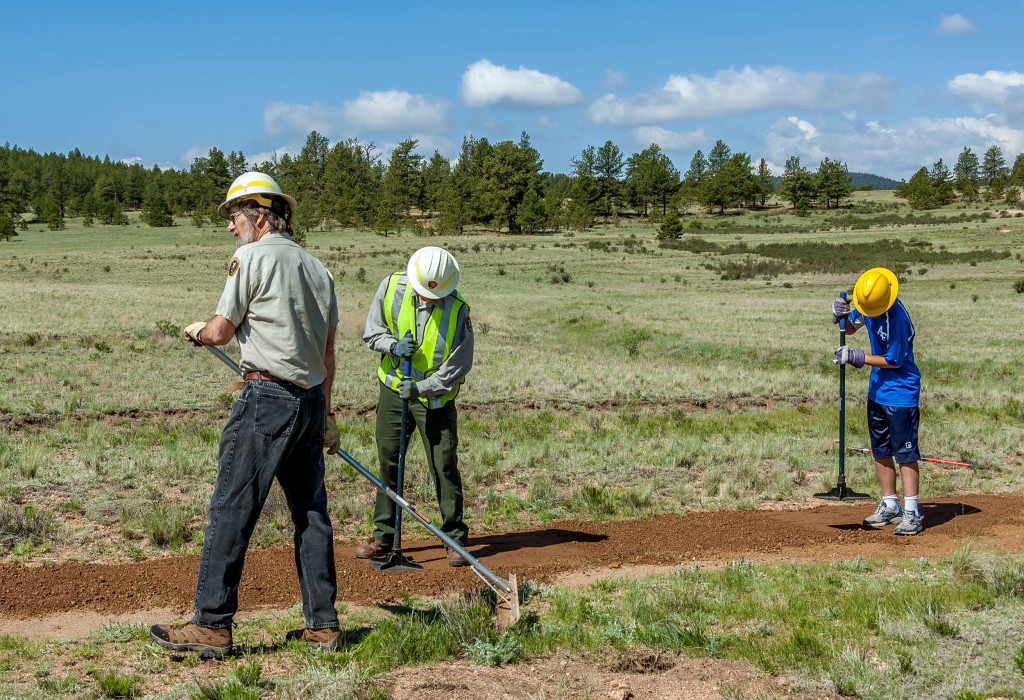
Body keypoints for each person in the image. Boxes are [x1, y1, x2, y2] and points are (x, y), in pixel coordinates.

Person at [150, 172, 343, 658]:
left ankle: (212, 624)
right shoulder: (320, 270)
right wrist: (327, 413)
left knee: (231, 508)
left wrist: (199, 331)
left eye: (234, 216)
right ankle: (323, 626)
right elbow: (328, 352)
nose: (230, 226)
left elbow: (221, 331)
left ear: (259, 216)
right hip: (310, 404)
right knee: (312, 515)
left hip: (266, 401)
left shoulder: (252, 257)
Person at [357, 246, 474, 567]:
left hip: (435, 401)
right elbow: (371, 333)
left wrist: (422, 387)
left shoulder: (458, 308)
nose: (429, 300)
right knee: (389, 461)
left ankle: (454, 538)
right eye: (424, 293)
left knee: (444, 464)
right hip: (393, 390)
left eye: (436, 296)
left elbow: (459, 365)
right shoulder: (391, 286)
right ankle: (383, 535)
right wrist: (392, 345)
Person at [833, 267, 923, 535]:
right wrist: (839, 316)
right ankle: (889, 504)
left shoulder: (898, 318)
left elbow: (894, 361)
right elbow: (851, 328)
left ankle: (912, 512)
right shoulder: (869, 302)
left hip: (901, 393)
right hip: (878, 391)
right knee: (881, 449)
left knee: (905, 453)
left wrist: (857, 358)